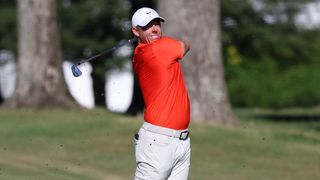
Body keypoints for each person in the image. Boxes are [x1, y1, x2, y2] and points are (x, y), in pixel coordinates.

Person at [131, 7, 191, 180]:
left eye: (157, 24)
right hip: (158, 143)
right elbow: (186, 46)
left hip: (181, 142)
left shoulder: (141, 52)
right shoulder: (159, 48)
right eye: (148, 26)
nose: (155, 29)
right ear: (136, 31)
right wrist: (163, 42)